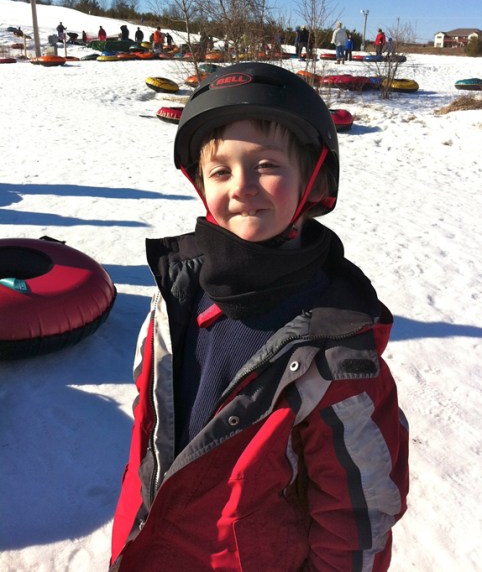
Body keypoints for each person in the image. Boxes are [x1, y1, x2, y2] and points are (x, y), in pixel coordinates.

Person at [109, 62, 409, 572]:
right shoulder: (177, 293)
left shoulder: (336, 346)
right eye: (221, 171)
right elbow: (151, 421)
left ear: (313, 178)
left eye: (267, 165)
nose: (242, 186)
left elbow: (358, 512)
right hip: (145, 546)